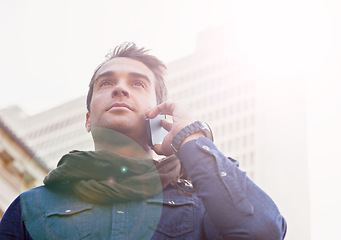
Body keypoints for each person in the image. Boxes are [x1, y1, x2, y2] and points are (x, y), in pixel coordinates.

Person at [0, 42, 287, 239]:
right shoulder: (32, 207)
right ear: (88, 120)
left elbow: (263, 231)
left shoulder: (202, 205)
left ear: (159, 114)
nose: (120, 89)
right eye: (106, 83)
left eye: (137, 83)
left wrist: (190, 137)